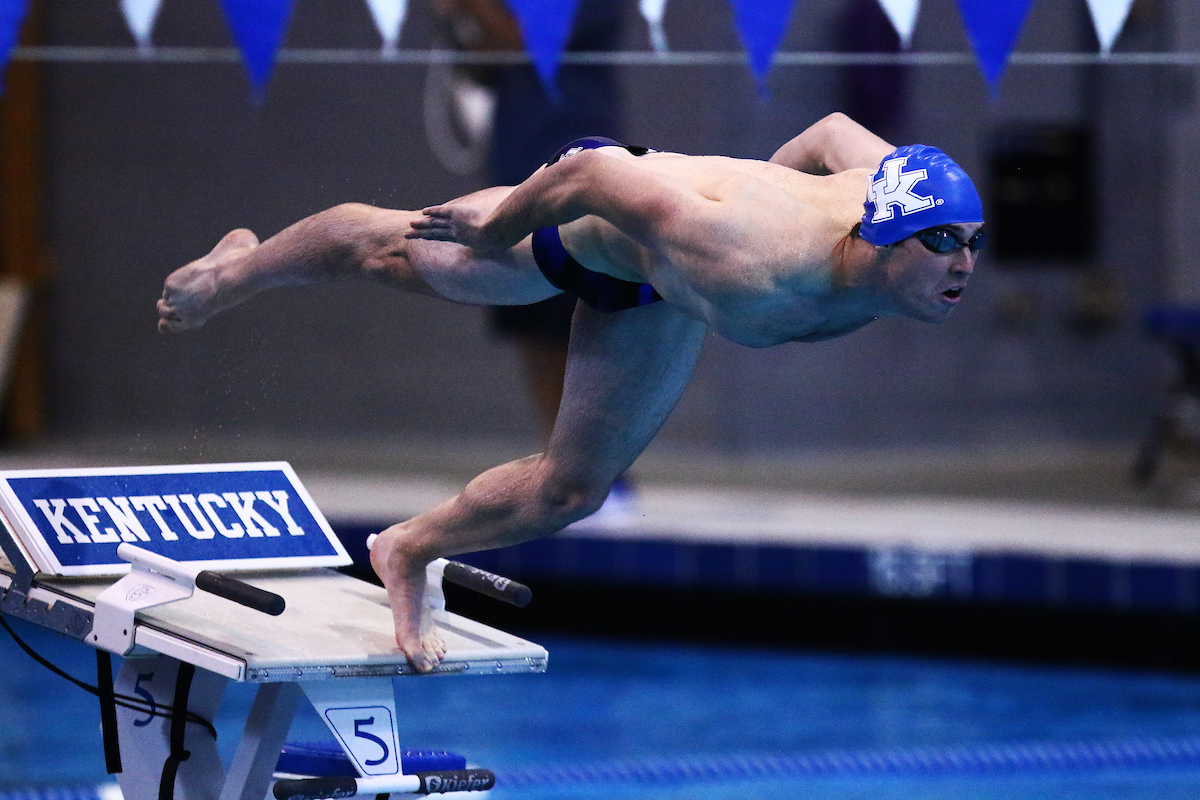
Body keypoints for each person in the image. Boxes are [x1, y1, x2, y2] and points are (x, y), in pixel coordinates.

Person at [156, 112, 986, 672]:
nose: (964, 266)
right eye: (943, 242)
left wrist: (748, 180)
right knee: (388, 250)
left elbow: (834, 132)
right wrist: (499, 225)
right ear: (881, 237)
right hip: (581, 222)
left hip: (661, 290)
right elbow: (593, 171)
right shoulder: (740, 253)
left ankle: (405, 548)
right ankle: (234, 271)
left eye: (973, 244)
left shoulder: (886, 194)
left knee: (571, 491)